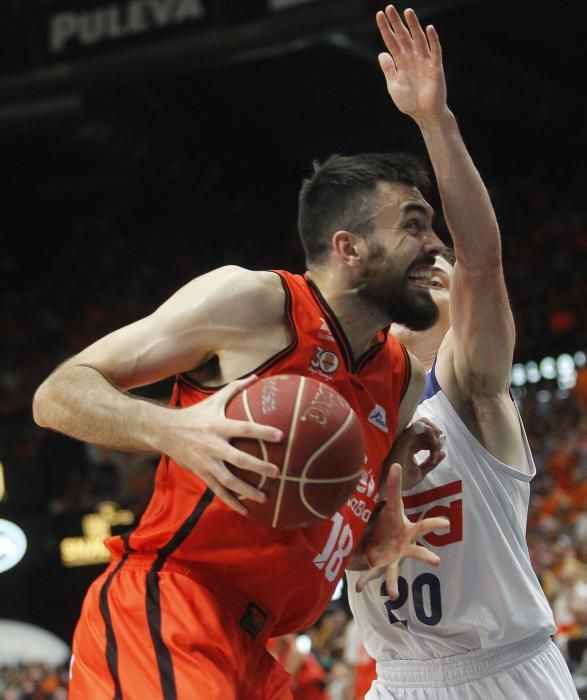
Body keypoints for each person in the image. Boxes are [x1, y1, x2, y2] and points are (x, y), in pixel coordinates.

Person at [32, 45, 451, 699]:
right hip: (169, 608)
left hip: (253, 648)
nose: (433, 245)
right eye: (413, 226)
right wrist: (171, 431)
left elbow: (343, 490)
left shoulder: (396, 375)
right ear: (349, 248)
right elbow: (58, 392)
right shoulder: (256, 306)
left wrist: (385, 517)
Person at [345, 6, 579, 699]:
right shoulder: (347, 399)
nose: (432, 263)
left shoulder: (471, 388)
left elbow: (482, 260)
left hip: (500, 674)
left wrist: (432, 121)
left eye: (439, 265)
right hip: (395, 678)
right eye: (417, 260)